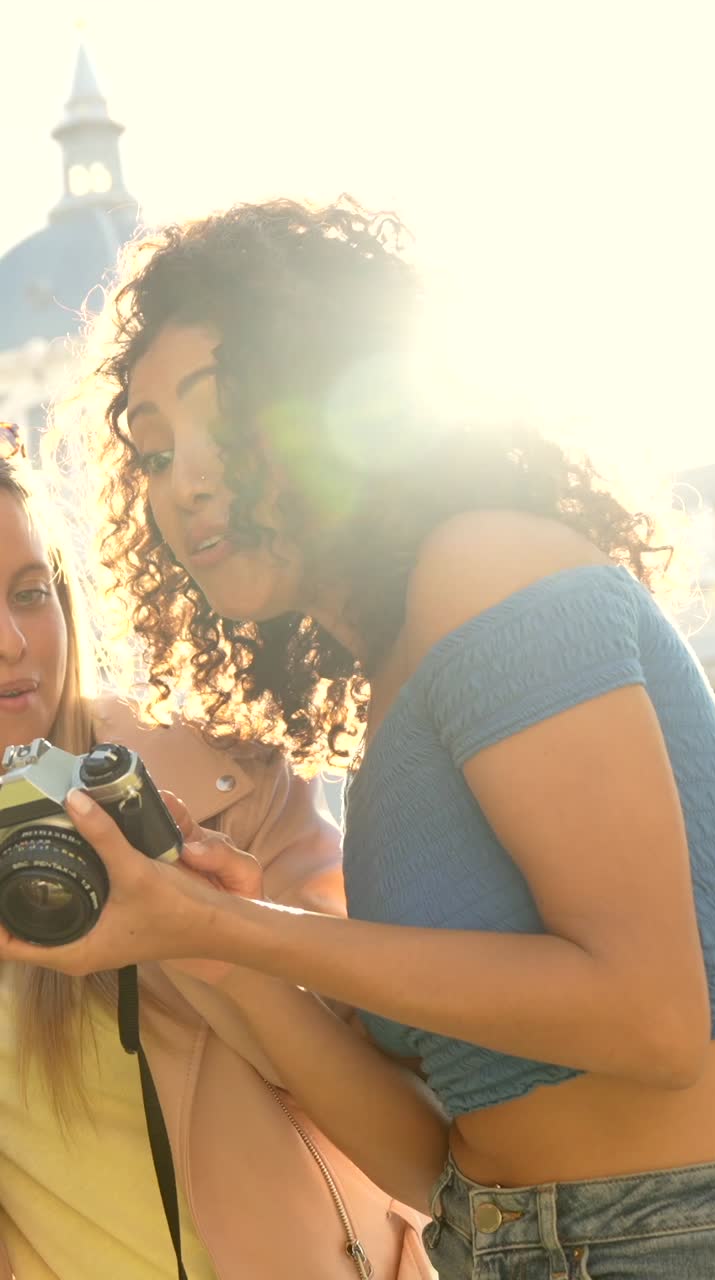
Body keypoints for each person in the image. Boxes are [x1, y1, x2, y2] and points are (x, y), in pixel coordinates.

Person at [6, 198, 715, 1278]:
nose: (184, 479)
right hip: (501, 1239)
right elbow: (426, 1152)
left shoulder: (486, 568)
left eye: (223, 418)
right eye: (149, 454)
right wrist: (209, 944)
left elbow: (655, 1018)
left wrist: (247, 931)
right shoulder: (395, 679)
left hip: (664, 1232)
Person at [0, 430, 437, 1280]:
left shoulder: (224, 781)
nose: (13, 644)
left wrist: (213, 933)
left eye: (28, 593)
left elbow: (414, 1139)